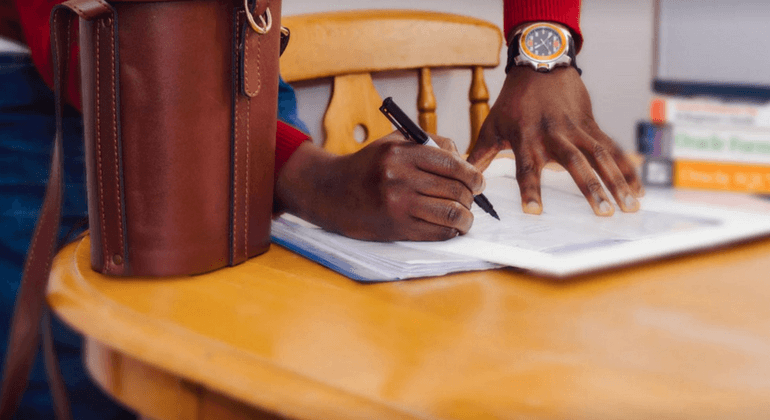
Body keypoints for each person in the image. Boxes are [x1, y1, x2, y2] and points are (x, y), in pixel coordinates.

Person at [1, 0, 642, 418]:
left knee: (253, 367)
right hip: (66, 81)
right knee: (102, 383)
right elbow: (94, 37)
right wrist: (300, 172)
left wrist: (541, 46)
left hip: (232, 47)